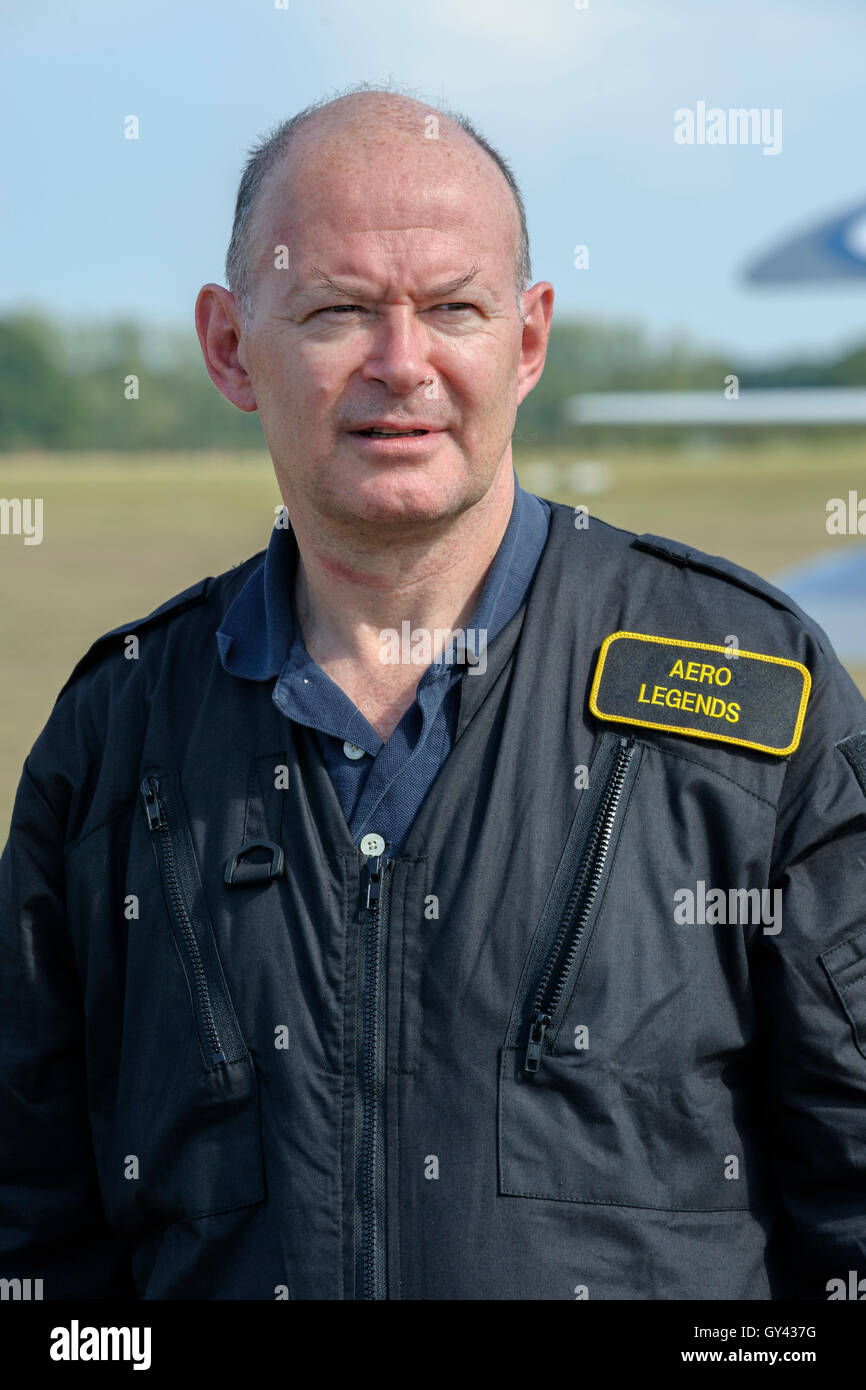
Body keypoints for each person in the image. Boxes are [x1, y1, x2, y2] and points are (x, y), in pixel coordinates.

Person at [1, 83, 865, 1302]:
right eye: (338, 310)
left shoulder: (747, 693)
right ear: (228, 346)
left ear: (525, 341)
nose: (400, 365)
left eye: (452, 308)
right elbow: (32, 1241)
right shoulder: (116, 734)